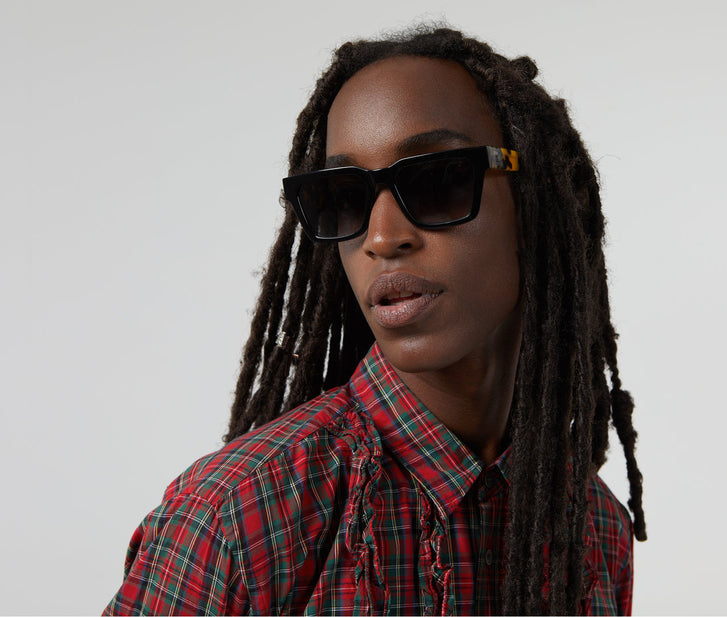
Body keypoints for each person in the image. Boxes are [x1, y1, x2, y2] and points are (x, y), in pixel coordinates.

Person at [105, 26, 646, 616]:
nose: (383, 238)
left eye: (436, 180)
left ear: (538, 198)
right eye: (343, 196)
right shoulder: (236, 518)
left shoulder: (593, 529)